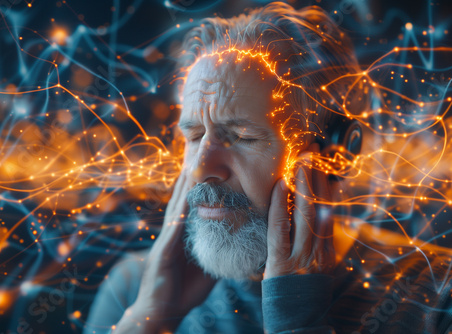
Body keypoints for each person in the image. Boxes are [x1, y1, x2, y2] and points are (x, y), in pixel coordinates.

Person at [85, 3, 452, 333]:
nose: (200, 170)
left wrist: (297, 321)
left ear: (338, 151)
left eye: (243, 137)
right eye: (195, 136)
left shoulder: (436, 296)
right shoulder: (136, 290)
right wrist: (147, 319)